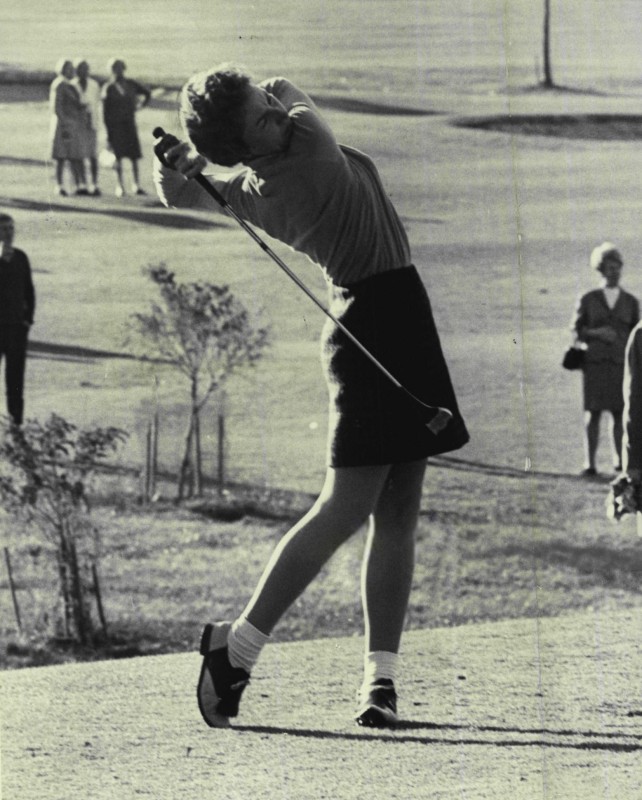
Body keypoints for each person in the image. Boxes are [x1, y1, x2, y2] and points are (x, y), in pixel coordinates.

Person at [154, 63, 469, 728]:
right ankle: (234, 648)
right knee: (347, 506)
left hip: (391, 316)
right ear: (251, 144)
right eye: (260, 117)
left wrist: (180, 164)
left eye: (268, 108)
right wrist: (265, 91)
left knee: (399, 511)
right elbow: (291, 88)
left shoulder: (251, 189)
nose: (275, 110)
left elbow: (179, 197)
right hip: (376, 325)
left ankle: (379, 681)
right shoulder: (312, 149)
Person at [572, 242, 639, 477]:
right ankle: (589, 463)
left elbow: (638, 334)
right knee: (593, 414)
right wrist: (598, 333)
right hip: (596, 365)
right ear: (600, 270)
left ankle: (620, 461)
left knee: (621, 413)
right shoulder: (588, 299)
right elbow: (577, 330)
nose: (615, 272)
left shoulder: (631, 302)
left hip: (622, 365)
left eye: (617, 267)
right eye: (610, 267)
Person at [0, 214, 35, 426]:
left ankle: (16, 423)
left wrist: (27, 320)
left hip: (15, 328)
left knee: (15, 380)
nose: (8, 233)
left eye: (11, 229)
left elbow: (29, 291)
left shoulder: (21, 257)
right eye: (4, 229)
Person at [102, 58, 150, 197]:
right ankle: (120, 185)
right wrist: (108, 130)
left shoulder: (131, 84)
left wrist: (140, 106)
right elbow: (105, 112)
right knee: (118, 156)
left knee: (134, 156)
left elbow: (146, 93)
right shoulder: (109, 88)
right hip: (116, 127)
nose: (118, 71)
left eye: (119, 68)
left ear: (123, 69)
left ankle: (136, 184)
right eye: (114, 69)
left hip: (129, 124)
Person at [49, 59, 89, 196]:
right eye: (69, 68)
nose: (72, 71)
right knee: (61, 156)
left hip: (73, 126)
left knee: (73, 156)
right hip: (63, 127)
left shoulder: (70, 85)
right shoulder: (60, 84)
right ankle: (59, 185)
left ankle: (77, 185)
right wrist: (65, 124)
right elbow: (57, 107)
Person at [72, 59, 103, 196]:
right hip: (77, 125)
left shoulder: (94, 85)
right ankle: (81, 184)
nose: (83, 71)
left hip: (91, 125)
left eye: (85, 69)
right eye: (80, 69)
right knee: (78, 156)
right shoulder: (72, 85)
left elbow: (97, 105)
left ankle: (94, 184)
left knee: (92, 156)